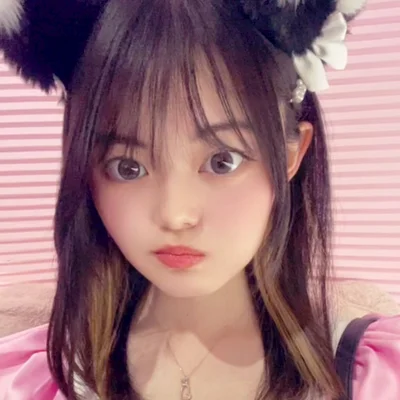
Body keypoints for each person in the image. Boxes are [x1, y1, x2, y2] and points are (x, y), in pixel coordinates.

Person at [0, 0, 399, 399]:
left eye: (222, 161)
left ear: (290, 155)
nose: (176, 215)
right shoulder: (36, 381)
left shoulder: (373, 378)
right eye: (127, 167)